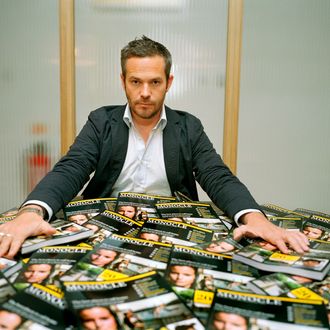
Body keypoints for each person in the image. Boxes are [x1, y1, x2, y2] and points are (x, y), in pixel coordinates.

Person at [0, 36, 309, 259]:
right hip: (104, 229)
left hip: (172, 231)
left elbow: (218, 176)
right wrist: (32, 211)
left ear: (168, 82)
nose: (145, 93)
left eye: (154, 82)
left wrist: (256, 220)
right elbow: (71, 168)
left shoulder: (189, 127)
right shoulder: (100, 121)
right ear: (123, 81)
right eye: (135, 82)